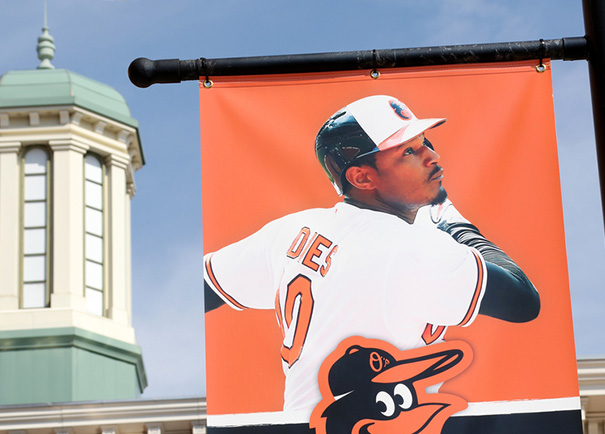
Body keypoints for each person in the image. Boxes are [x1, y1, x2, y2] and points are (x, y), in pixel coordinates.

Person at [203, 95, 539, 413]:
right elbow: (522, 300)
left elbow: (207, 286)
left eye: (425, 143)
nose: (432, 158)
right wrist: (452, 221)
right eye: (407, 152)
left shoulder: (291, 229)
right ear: (361, 177)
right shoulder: (414, 246)